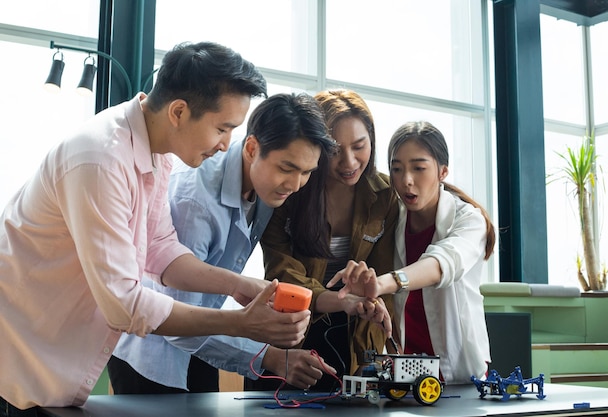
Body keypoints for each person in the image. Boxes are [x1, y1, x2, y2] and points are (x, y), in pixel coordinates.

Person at [0, 41, 312, 414]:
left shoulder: (154, 153)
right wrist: (240, 324)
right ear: (179, 111)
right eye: (222, 128)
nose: (227, 144)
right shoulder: (100, 158)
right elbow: (124, 303)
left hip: (47, 356)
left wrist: (241, 285)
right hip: (16, 356)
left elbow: (161, 248)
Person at [109, 92, 340, 394]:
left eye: (306, 172)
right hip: (152, 353)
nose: (295, 184)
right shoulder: (195, 201)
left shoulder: (267, 189)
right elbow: (175, 320)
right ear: (252, 148)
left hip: (208, 338)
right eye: (286, 169)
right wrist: (272, 357)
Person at [328, 121, 497, 384]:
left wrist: (384, 283)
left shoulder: (468, 220)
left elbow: (442, 264)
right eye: (397, 169)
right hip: (405, 372)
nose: (407, 180)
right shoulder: (391, 219)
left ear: (442, 171)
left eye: (419, 168)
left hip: (461, 374)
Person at [251, 89, 398, 392]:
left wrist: (371, 297)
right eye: (333, 150)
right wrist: (339, 301)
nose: (349, 161)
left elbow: (387, 274)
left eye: (359, 146)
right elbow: (282, 272)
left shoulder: (385, 196)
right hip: (292, 332)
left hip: (355, 338)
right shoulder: (290, 190)